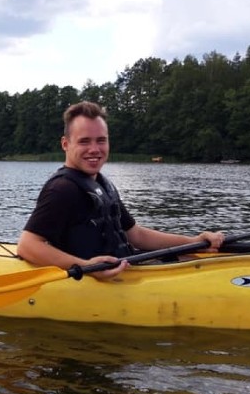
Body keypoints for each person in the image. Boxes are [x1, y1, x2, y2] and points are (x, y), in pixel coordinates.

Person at [17, 101, 224, 279]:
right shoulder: (62, 189)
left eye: (101, 140)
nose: (94, 149)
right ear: (65, 144)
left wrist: (195, 242)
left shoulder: (102, 184)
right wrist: (86, 267)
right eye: (84, 141)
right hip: (92, 280)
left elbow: (136, 235)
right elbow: (27, 245)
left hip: (127, 270)